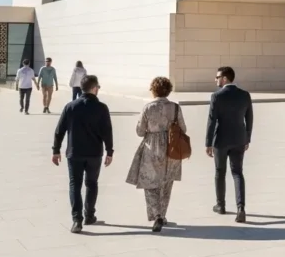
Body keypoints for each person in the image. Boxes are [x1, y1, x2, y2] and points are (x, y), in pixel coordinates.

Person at [51, 74, 113, 233]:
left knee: (75, 184)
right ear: (93, 88)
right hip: (94, 154)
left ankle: (77, 220)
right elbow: (107, 131)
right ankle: (89, 215)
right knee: (92, 183)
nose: (98, 89)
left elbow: (59, 131)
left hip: (74, 153)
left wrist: (56, 150)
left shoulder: (71, 106)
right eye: (98, 87)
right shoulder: (101, 108)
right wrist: (109, 151)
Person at [126, 77, 187, 233]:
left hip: (152, 147)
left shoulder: (148, 107)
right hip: (171, 148)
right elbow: (183, 128)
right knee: (166, 183)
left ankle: (157, 215)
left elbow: (140, 131)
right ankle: (163, 215)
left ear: (153, 90)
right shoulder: (175, 107)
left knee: (150, 183)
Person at [206, 66, 253, 223]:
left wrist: (208, 143)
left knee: (220, 172)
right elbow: (249, 119)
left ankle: (221, 205)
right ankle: (241, 209)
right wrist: (247, 138)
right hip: (239, 139)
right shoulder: (245, 95)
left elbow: (211, 121)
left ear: (224, 78)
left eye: (217, 77)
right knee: (237, 173)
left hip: (221, 141)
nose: (215, 79)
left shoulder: (216, 96)